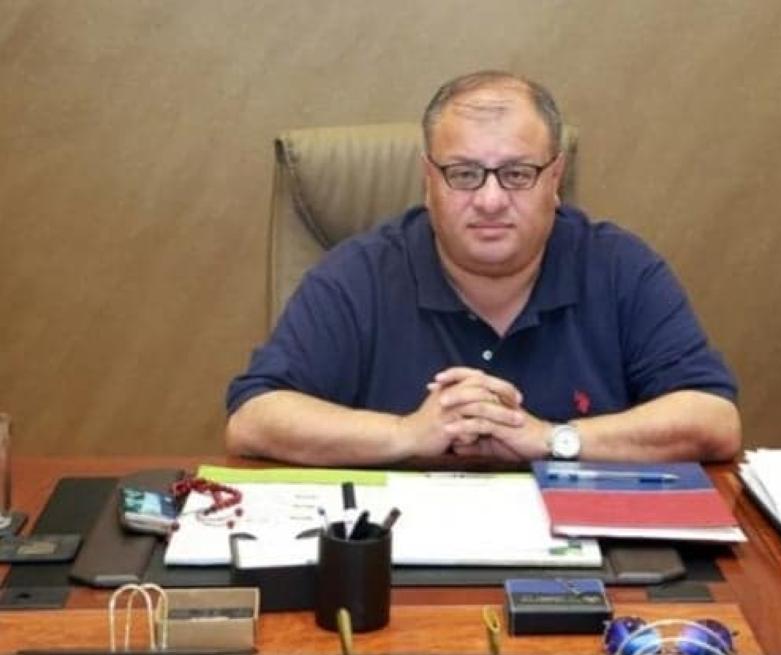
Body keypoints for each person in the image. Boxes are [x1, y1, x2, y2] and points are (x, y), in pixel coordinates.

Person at [225, 70, 740, 466]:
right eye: (464, 173)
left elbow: (714, 420)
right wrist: (406, 434)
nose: (490, 200)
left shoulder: (619, 267)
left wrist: (552, 438)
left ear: (555, 178)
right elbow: (253, 419)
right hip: (403, 552)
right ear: (429, 180)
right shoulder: (359, 274)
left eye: (517, 173)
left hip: (589, 555)